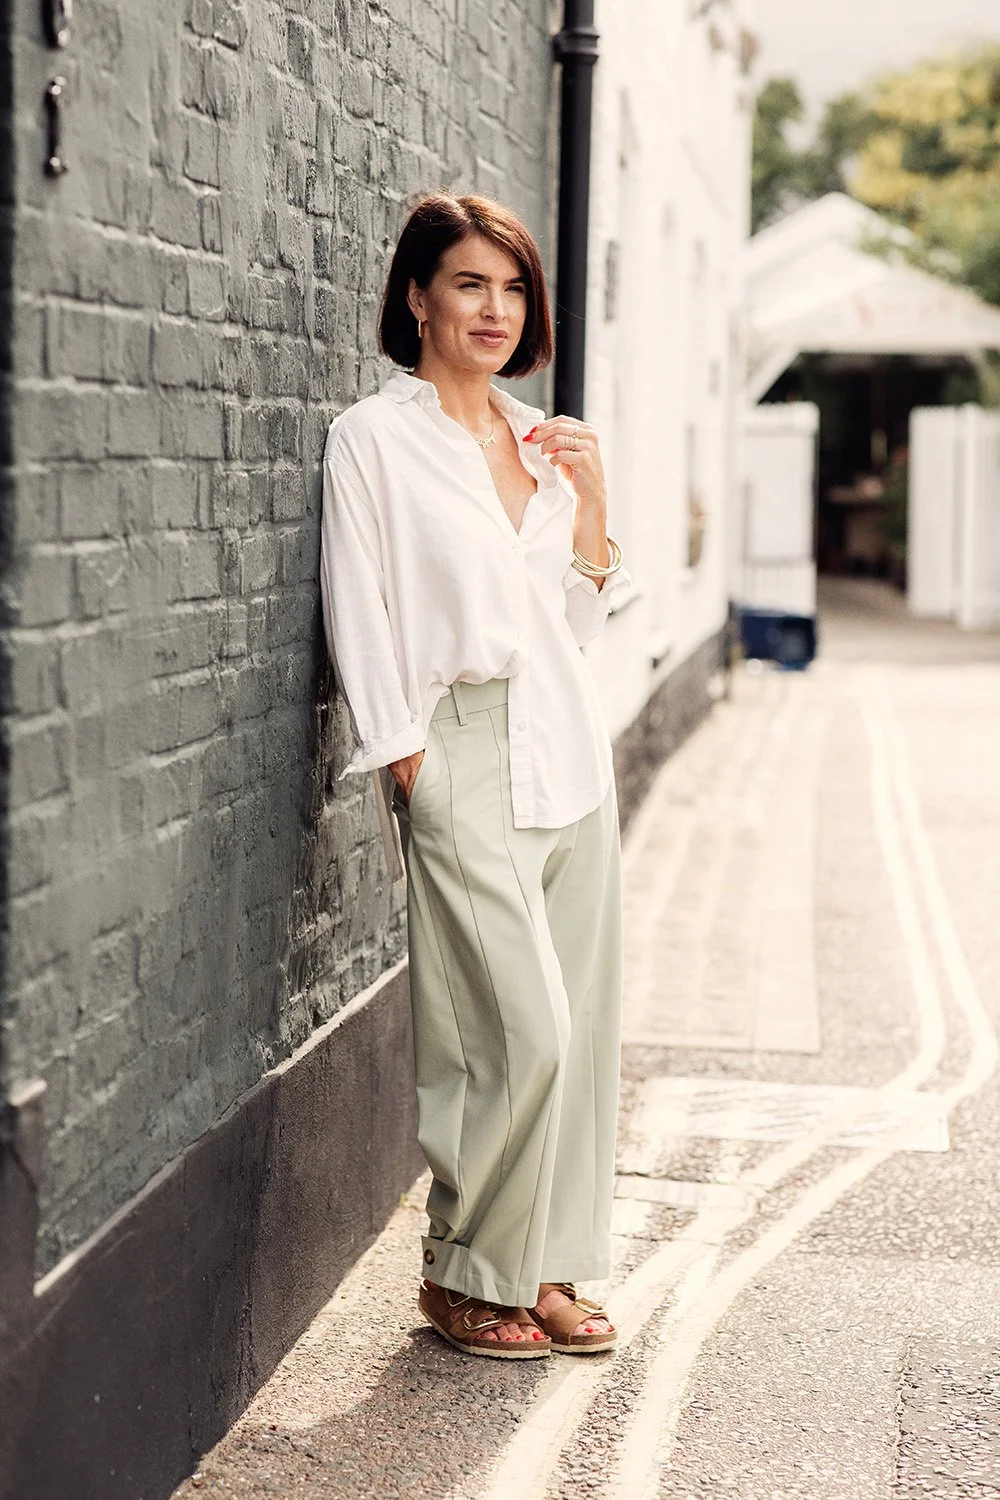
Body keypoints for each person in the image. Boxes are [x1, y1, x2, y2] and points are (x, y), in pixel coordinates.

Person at [320, 193, 630, 1359]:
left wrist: (592, 508)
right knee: (516, 1029)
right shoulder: (376, 440)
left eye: (510, 288)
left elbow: (576, 623)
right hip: (454, 742)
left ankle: (543, 1268)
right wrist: (407, 759)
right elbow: (358, 602)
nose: (493, 309)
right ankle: (461, 1271)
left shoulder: (542, 442)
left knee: (582, 1031)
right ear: (416, 296)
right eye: (467, 284)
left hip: (566, 742)